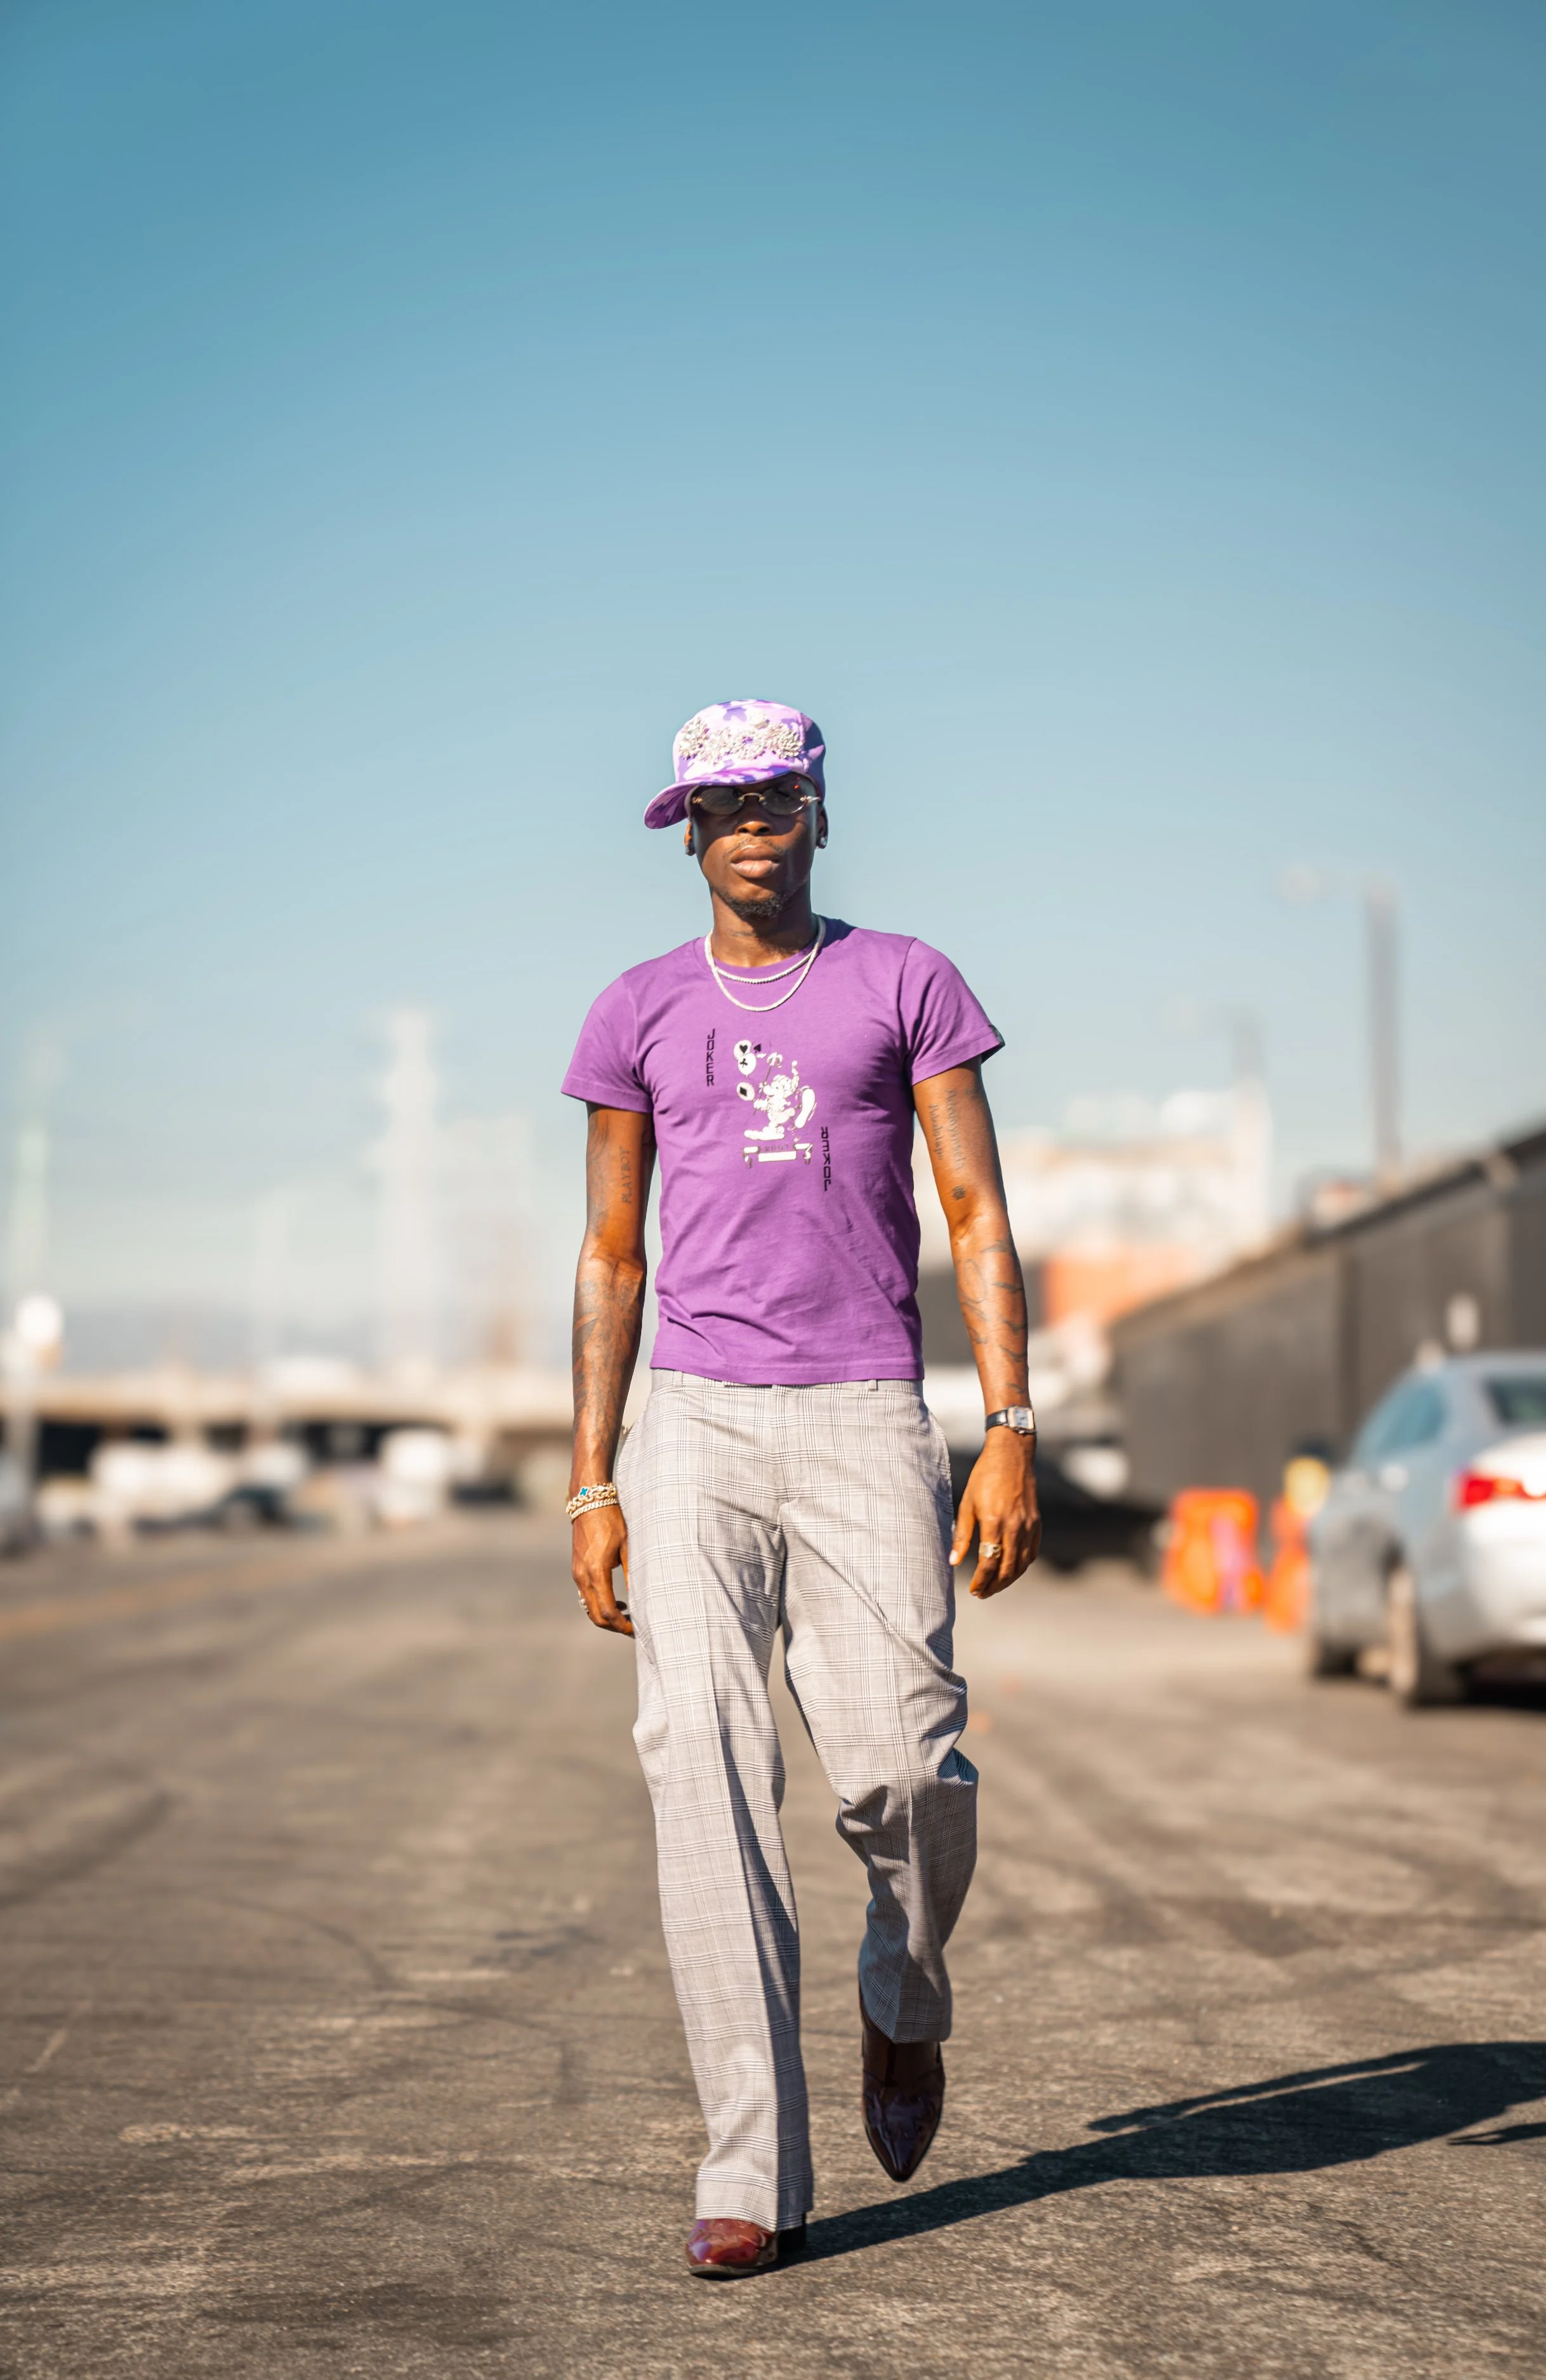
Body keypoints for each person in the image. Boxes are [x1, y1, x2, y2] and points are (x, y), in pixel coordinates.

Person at [561, 699, 1041, 2278]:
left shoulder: (904, 980)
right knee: (699, 1771)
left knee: (907, 1772)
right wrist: (591, 1480)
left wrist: (1010, 1423)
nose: (752, 823)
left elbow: (970, 1210)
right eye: (722, 803)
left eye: (777, 796)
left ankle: (899, 2002)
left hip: (859, 1416)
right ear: (685, 832)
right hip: (689, 1424)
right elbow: (611, 1254)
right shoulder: (634, 1010)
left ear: (820, 812)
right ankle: (750, 2171)